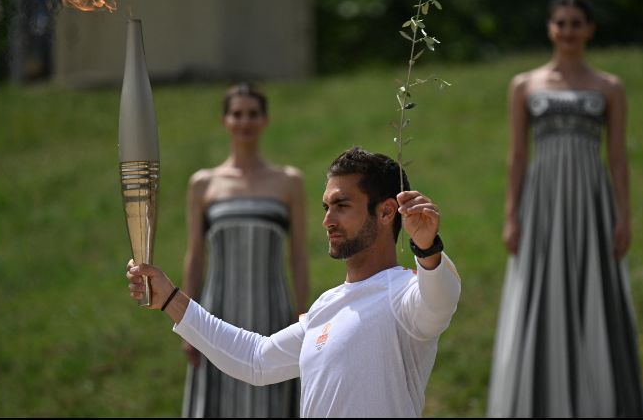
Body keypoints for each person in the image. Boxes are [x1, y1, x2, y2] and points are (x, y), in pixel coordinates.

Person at [127, 147, 461, 418]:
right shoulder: (325, 307)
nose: (327, 221)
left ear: (387, 213)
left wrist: (427, 247)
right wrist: (170, 299)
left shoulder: (405, 294)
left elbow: (440, 301)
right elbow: (256, 359)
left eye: (342, 205)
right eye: (326, 207)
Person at [486, 0, 643, 417]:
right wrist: (511, 215)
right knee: (542, 288)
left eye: (577, 22)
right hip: (542, 204)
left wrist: (623, 216)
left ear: (590, 29)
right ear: (550, 28)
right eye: (561, 22)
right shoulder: (524, 84)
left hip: (593, 201)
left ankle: (601, 400)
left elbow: (617, 157)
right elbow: (518, 155)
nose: (569, 30)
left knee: (596, 287)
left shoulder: (609, 87)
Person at [179, 83, 309, 417]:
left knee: (272, 401)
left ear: (265, 120)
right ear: (225, 120)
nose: (245, 121)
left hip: (273, 313)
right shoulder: (203, 184)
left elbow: (298, 255)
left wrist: (304, 315)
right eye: (237, 114)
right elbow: (195, 256)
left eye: (253, 114)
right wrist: (187, 324)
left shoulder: (289, 182)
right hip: (216, 311)